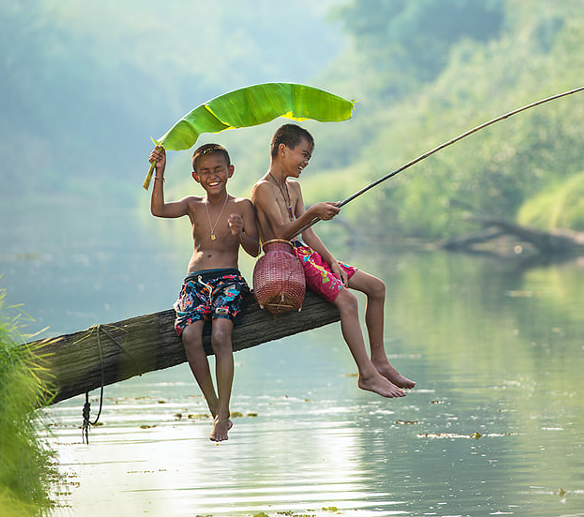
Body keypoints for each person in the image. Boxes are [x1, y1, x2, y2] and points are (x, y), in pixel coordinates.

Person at [252, 123, 415, 398]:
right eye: (303, 154)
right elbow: (281, 232)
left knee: (377, 288)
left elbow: (307, 233)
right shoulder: (262, 189)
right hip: (286, 260)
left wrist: (332, 261)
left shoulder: (294, 187)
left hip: (307, 255)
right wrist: (313, 211)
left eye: (309, 158)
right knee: (348, 300)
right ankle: (366, 374)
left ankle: (380, 361)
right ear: (282, 150)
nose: (305, 162)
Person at [148, 143, 260, 442]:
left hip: (229, 280)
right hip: (195, 281)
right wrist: (160, 171)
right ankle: (216, 410)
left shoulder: (243, 206)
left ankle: (223, 414)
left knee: (222, 336)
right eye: (206, 171)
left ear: (230, 171)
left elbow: (254, 248)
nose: (213, 176)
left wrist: (240, 233)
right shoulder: (192, 204)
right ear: (196, 176)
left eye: (218, 170)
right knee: (190, 336)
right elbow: (158, 210)